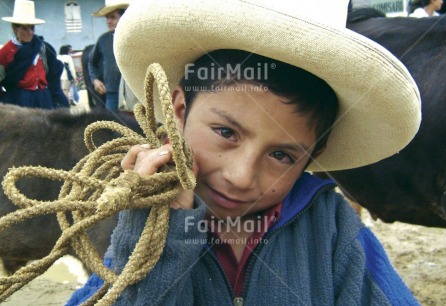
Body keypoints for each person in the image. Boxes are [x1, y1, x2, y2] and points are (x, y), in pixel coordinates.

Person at [67, 0, 422, 305]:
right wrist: (155, 237)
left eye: (282, 155)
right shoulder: (148, 216)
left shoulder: (333, 229)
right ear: (179, 110)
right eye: (225, 133)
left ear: (313, 155)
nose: (241, 177)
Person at [0, 0, 68, 109]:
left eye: (32, 28)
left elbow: (54, 72)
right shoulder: (5, 53)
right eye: (25, 28)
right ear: (15, 28)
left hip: (43, 99)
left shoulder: (43, 47)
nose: (30, 32)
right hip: (19, 100)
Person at [88, 0, 130, 112]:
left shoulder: (134, 38)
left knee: (134, 126)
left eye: (113, 17)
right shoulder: (103, 40)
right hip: (112, 93)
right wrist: (95, 80)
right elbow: (92, 63)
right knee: (111, 125)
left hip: (133, 93)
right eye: (107, 18)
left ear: (123, 18)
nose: (108, 21)